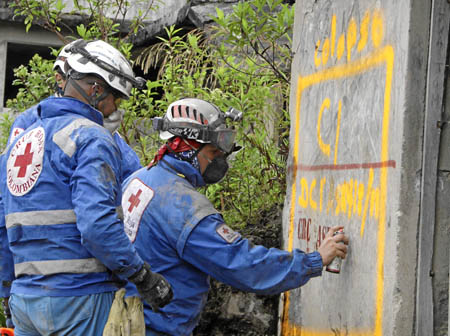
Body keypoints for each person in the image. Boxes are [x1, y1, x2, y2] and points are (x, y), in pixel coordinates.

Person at [121, 98, 349, 336]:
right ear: (184, 147)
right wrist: (314, 260)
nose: (219, 160)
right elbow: (243, 265)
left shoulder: (138, 179)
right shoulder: (182, 205)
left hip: (128, 320)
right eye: (212, 152)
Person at [0, 39, 172, 335]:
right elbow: (96, 226)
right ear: (96, 90)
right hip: (81, 301)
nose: (114, 108)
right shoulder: (92, 137)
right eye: (115, 99)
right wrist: (143, 277)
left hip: (25, 301)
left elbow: (3, 227)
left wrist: (7, 291)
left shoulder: (20, 142)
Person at [7, 39, 142, 180]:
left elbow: (131, 172)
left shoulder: (104, 128)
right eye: (71, 77)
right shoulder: (30, 120)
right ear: (59, 79)